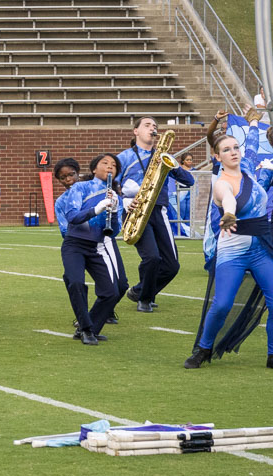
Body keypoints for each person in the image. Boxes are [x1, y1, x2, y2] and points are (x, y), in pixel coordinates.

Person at [185, 117, 273, 369]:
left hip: (260, 247)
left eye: (236, 147)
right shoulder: (221, 183)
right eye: (226, 150)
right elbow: (229, 200)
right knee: (222, 303)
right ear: (217, 156)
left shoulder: (247, 166)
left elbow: (254, 145)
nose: (233, 152)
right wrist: (229, 214)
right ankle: (203, 348)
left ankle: (272, 354)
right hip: (232, 251)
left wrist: (254, 122)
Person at [117, 116, 196, 312]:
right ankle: (145, 299)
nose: (152, 128)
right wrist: (124, 201)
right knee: (152, 258)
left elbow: (189, 181)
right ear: (136, 131)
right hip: (135, 211)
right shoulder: (124, 157)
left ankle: (140, 291)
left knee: (172, 266)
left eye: (155, 126)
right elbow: (111, 186)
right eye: (147, 125)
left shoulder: (162, 156)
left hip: (159, 211)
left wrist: (172, 161)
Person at [55, 154, 124, 345]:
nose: (110, 167)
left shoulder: (115, 196)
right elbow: (72, 217)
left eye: (114, 165)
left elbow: (113, 232)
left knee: (111, 292)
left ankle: (90, 326)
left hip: (97, 246)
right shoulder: (81, 187)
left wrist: (115, 213)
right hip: (74, 244)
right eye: (105, 163)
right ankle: (86, 329)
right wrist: (96, 209)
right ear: (94, 169)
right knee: (76, 283)